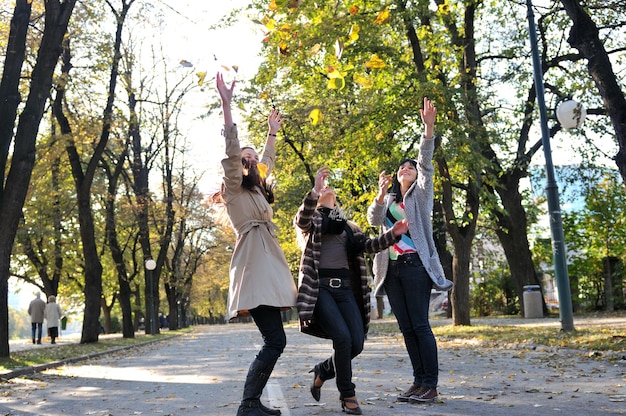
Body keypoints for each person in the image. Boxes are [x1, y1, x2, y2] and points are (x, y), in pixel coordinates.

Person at [294, 166, 409, 415]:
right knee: (343, 338)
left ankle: (323, 370)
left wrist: (393, 234)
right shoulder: (311, 223)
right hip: (320, 290)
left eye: (329, 189)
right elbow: (303, 218)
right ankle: (348, 395)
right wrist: (315, 190)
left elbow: (368, 246)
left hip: (346, 290)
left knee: (356, 343)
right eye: (324, 189)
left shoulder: (349, 227)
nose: (328, 189)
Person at [215, 72, 297, 416]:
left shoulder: (259, 191)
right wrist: (226, 104)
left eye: (252, 159)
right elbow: (233, 154)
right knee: (275, 340)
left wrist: (272, 135)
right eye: (246, 159)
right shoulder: (233, 188)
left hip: (267, 260)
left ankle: (251, 404)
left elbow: (268, 162)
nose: (250, 161)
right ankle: (248, 405)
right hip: (253, 261)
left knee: (275, 340)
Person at [367, 97, 453, 404]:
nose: (407, 168)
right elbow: (373, 220)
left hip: (416, 266)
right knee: (406, 328)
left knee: (420, 324)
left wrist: (428, 128)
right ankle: (418, 382)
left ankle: (431, 384)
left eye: (410, 167)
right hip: (392, 271)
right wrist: (379, 194)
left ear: (416, 175)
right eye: (402, 166)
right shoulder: (389, 202)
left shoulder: (420, 196)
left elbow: (426, 161)